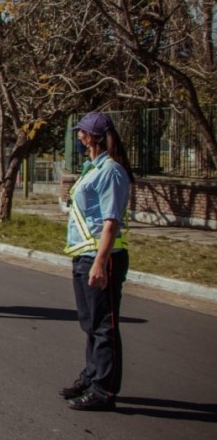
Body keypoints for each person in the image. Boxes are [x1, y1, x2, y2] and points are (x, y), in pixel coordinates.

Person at [61, 112, 134, 411]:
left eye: (81, 133)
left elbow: (110, 222)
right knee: (89, 323)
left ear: (92, 137)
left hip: (103, 257)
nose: (78, 138)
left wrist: (100, 262)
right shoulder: (92, 168)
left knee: (104, 326)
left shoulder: (111, 172)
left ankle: (104, 390)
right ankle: (92, 377)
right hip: (84, 254)